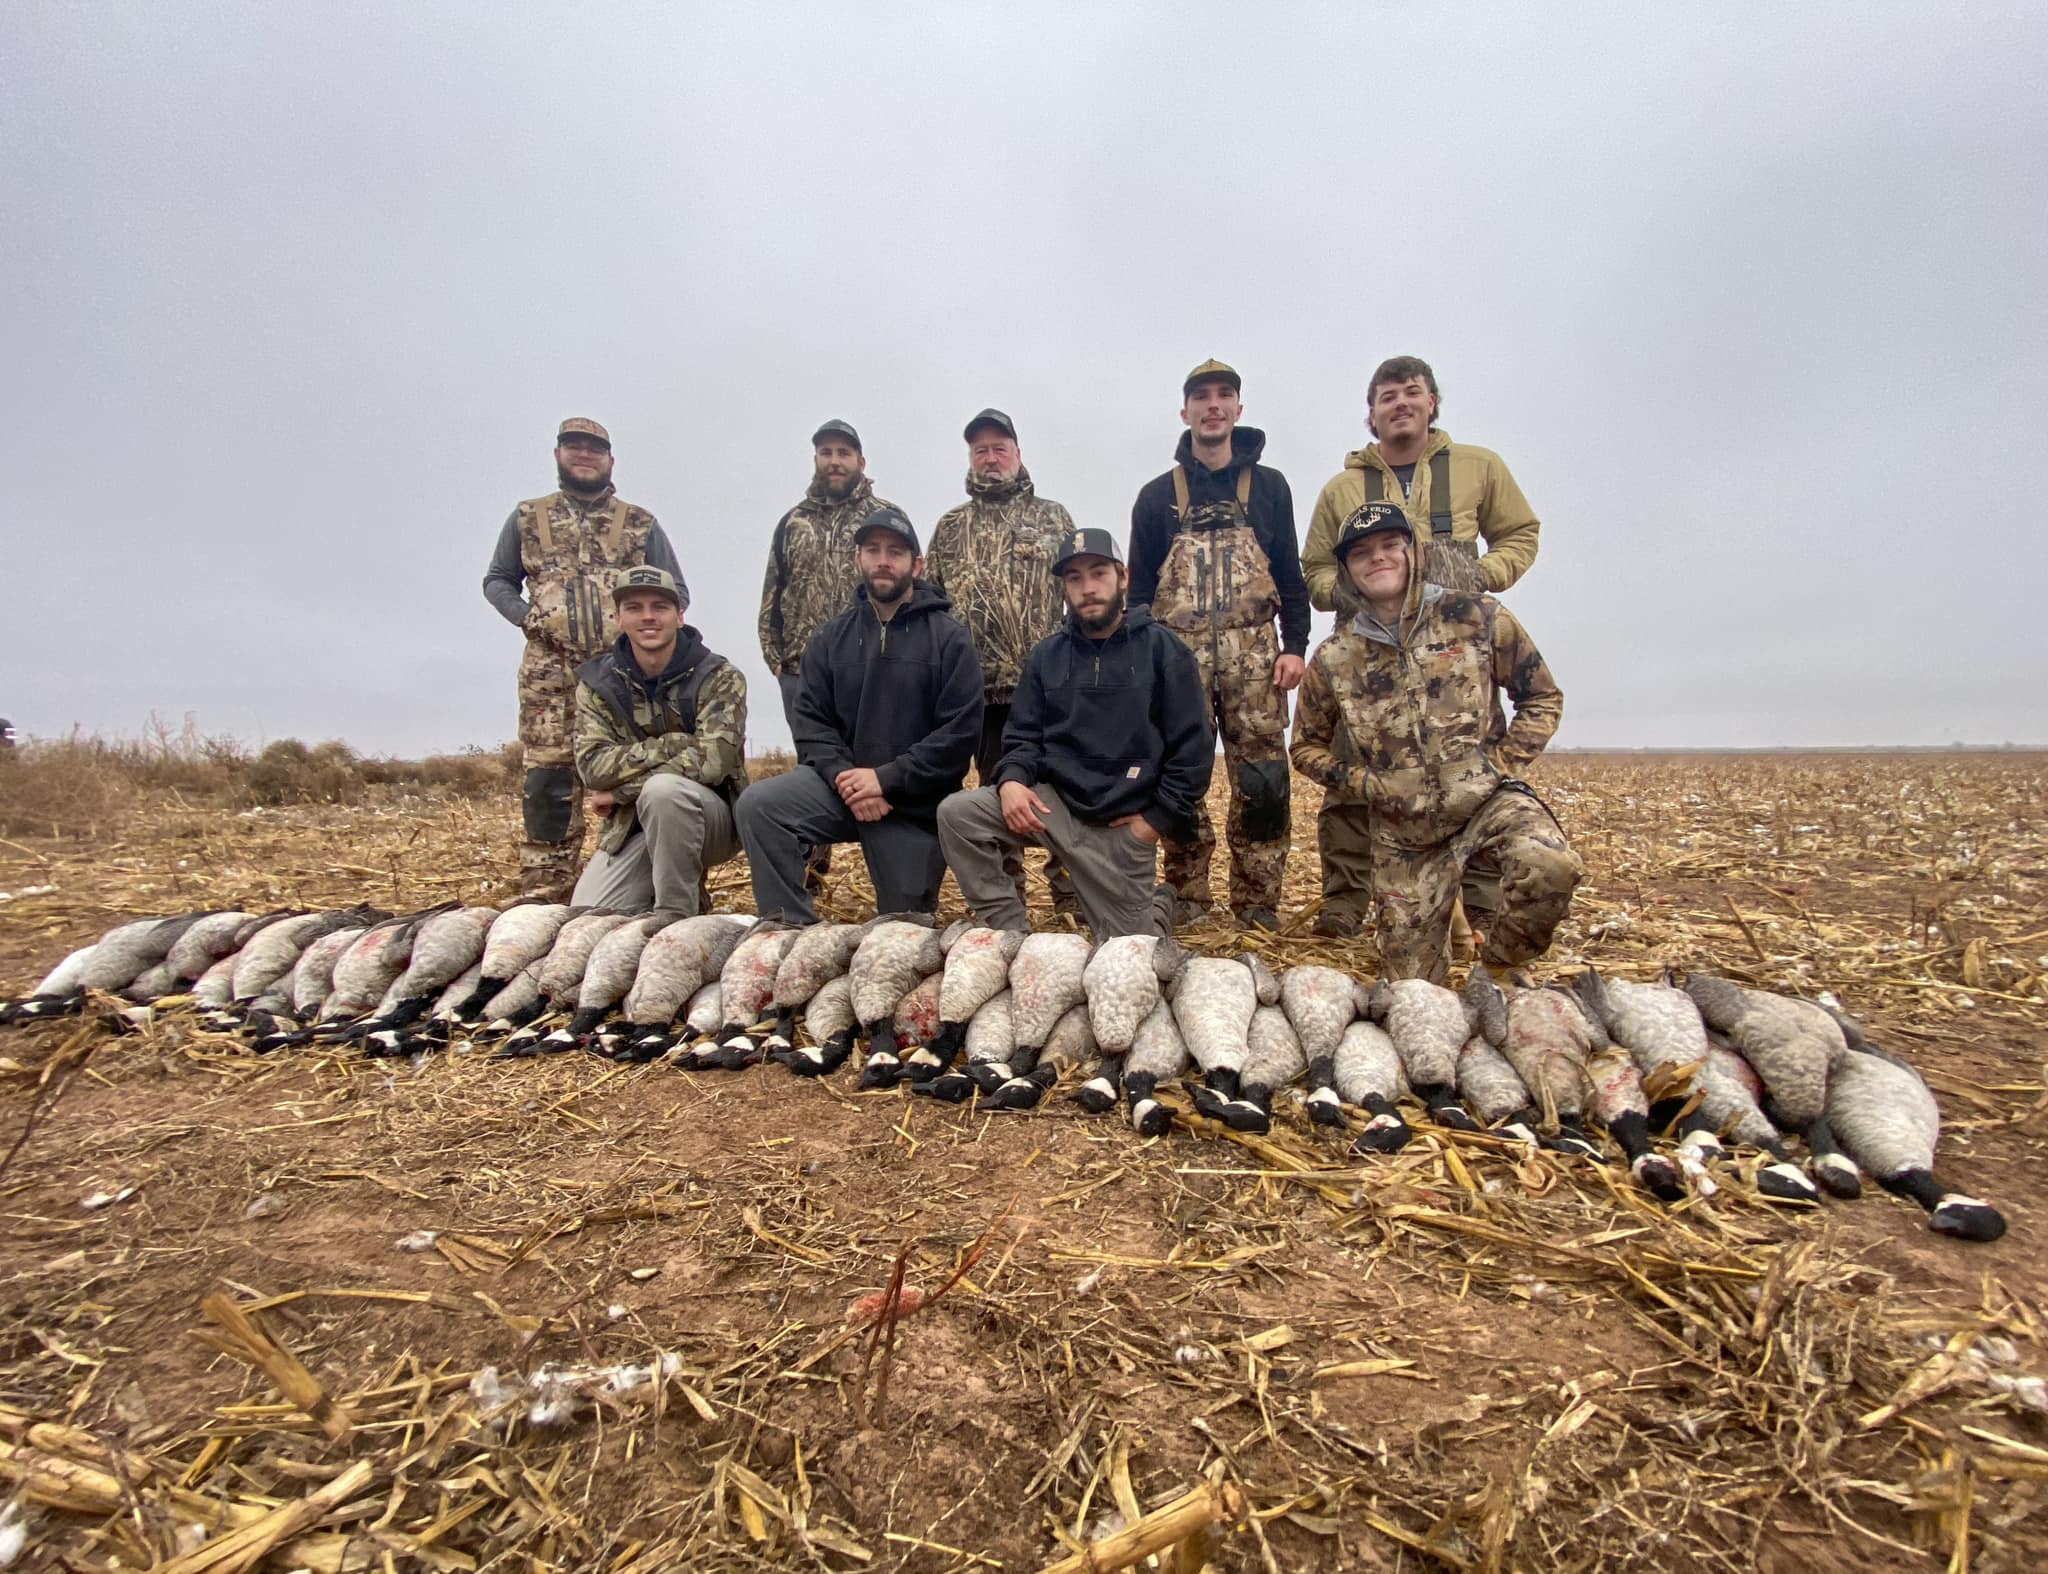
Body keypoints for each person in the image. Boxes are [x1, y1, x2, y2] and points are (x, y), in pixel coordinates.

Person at [1299, 357, 1542, 937]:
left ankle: (1479, 903)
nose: (1400, 404)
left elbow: (1521, 533)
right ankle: (1345, 902)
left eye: (1412, 392)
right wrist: (1350, 594)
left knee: (1471, 775)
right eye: (1387, 396)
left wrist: (1482, 578)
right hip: (1368, 657)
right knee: (1351, 778)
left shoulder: (1479, 466)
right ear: (1371, 413)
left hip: (1455, 654)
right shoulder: (1342, 489)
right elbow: (1314, 569)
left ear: (1433, 402)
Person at [1289, 502, 1577, 982]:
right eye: (1361, 553)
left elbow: (1542, 697)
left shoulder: (1476, 616)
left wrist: (1497, 765)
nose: (1377, 558)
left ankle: (1501, 966)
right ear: (1347, 570)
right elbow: (1304, 747)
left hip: (1486, 801)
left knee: (1549, 863)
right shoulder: (1335, 656)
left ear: (1414, 553)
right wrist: (1368, 784)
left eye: (1390, 545)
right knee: (1412, 986)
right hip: (1403, 832)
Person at [937, 528, 1213, 940]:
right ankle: (1009, 935)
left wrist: (1151, 824)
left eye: (1098, 573)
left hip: (1120, 830)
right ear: (1064, 589)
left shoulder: (1164, 652)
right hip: (1054, 810)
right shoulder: (1047, 655)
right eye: (1074, 578)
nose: (1088, 588)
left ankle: (1157, 906)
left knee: (1128, 952)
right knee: (958, 814)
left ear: (1123, 577)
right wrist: (1011, 781)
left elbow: (1193, 752)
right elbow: (1022, 736)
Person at [1127, 360, 1309, 931]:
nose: (1213, 405)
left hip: (1256, 660)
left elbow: (1291, 574)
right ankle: (1187, 896)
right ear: (1185, 412)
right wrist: (1143, 660)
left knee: (1263, 782)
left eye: (1224, 395)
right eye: (1201, 396)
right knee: (1179, 775)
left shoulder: (1269, 487)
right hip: (1175, 660)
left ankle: (1257, 903)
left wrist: (1295, 645)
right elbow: (1138, 591)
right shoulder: (1157, 496)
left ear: (1237, 409)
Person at [736, 506, 983, 923]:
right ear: (858, 559)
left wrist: (884, 780)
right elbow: (811, 725)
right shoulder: (829, 639)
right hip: (841, 791)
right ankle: (787, 928)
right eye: (873, 550)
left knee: (905, 931)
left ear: (917, 564)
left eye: (895, 552)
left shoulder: (950, 640)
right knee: (759, 805)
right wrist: (847, 779)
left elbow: (958, 737)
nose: (883, 560)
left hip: (912, 805)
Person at [482, 417, 688, 900]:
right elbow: (497, 581)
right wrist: (528, 617)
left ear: (610, 460)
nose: (584, 455)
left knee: (629, 773)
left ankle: (632, 883)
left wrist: (645, 638)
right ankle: (545, 889)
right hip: (549, 672)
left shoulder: (639, 523)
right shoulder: (528, 517)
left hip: (621, 672)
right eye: (574, 446)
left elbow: (676, 589)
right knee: (549, 777)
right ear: (558, 455)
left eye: (594, 449)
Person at [923, 408, 1079, 917]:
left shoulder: (1053, 517)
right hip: (978, 691)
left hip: (1048, 686)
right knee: (995, 790)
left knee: (1061, 787)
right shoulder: (950, 527)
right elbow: (932, 604)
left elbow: (1078, 595)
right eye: (980, 451)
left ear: (1018, 454)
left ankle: (1071, 895)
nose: (990, 458)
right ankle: (1008, 899)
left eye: (999, 448)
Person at [570, 568, 746, 914]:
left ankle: (675, 917)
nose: (648, 617)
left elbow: (713, 763)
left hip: (712, 821)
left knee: (663, 792)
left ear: (680, 617)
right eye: (634, 607)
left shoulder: (720, 677)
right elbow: (593, 768)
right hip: (632, 827)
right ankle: (682, 895)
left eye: (660, 607)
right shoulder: (597, 683)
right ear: (618, 618)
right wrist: (676, 743)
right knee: (586, 916)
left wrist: (621, 792)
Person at [758, 420, 901, 728]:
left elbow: (909, 589)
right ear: (816, 460)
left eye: (844, 453)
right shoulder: (793, 523)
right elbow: (772, 596)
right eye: (826, 453)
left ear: (861, 462)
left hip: (872, 671)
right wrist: (778, 664)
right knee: (813, 755)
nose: (834, 461)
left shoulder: (885, 518)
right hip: (802, 674)